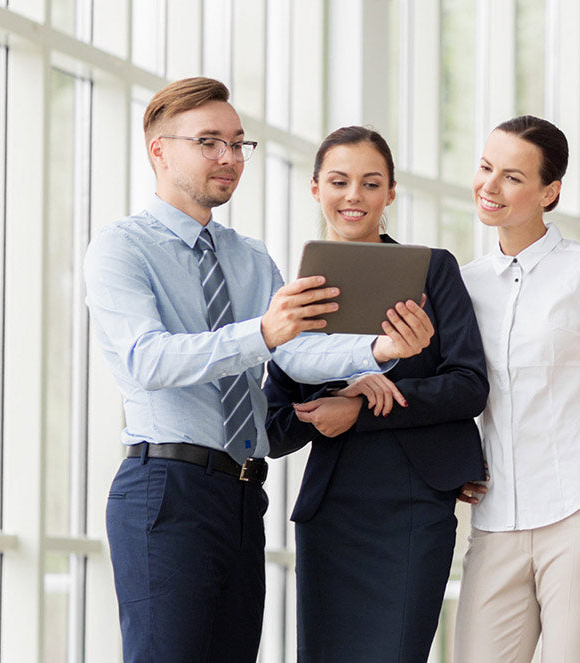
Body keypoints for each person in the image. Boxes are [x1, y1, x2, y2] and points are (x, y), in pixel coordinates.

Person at [84, 78, 434, 663]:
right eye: (210, 142)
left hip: (244, 496)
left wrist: (381, 351)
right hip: (165, 490)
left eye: (238, 144)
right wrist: (262, 332)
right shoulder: (121, 248)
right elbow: (148, 359)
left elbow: (296, 352)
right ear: (159, 149)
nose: (229, 158)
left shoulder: (250, 257)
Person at [261, 126, 488, 662]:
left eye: (370, 183)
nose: (354, 196)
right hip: (333, 509)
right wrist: (334, 391)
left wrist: (358, 410)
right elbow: (274, 428)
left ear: (390, 193)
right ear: (316, 189)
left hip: (413, 505)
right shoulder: (298, 298)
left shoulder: (433, 270)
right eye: (339, 182)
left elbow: (468, 386)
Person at [449, 115, 580, 662]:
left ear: (549, 191)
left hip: (578, 514)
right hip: (494, 519)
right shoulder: (464, 283)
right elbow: (457, 392)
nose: (489, 186)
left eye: (511, 176)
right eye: (486, 168)